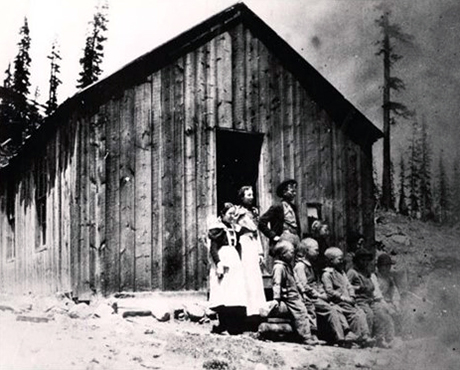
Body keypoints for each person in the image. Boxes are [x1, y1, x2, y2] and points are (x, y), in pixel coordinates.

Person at [294, 238, 356, 346]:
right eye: (316, 250)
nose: (318, 253)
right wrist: (319, 295)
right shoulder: (301, 266)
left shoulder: (312, 265)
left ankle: (346, 333)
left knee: (335, 307)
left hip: (317, 296)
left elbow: (317, 284)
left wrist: (322, 293)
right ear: (306, 251)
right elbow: (305, 286)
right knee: (331, 310)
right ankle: (340, 338)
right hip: (309, 298)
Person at [321, 247, 374, 347]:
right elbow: (329, 291)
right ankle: (351, 338)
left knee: (359, 313)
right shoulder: (327, 274)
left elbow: (349, 286)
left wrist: (352, 296)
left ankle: (364, 336)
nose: (342, 262)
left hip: (348, 302)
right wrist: (343, 298)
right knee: (351, 314)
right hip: (338, 302)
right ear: (331, 260)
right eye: (339, 259)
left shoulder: (342, 273)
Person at [208, 203, 247, 335]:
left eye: (233, 214)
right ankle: (222, 325)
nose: (232, 217)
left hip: (234, 262)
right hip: (224, 260)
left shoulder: (235, 228)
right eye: (229, 214)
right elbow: (213, 248)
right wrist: (218, 263)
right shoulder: (218, 228)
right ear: (223, 214)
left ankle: (233, 325)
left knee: (233, 292)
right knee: (223, 292)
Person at [271, 239, 316, 346]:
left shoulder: (289, 266)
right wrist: (276, 299)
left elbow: (297, 281)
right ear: (283, 254)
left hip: (295, 294)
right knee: (300, 312)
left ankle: (312, 333)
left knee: (307, 308)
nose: (293, 255)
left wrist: (303, 291)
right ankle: (305, 337)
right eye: (291, 252)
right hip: (288, 296)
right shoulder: (279, 267)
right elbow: (276, 283)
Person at [347, 249, 395, 348]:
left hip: (369, 299)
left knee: (380, 311)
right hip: (359, 300)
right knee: (369, 313)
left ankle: (380, 339)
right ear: (357, 260)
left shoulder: (367, 273)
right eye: (362, 260)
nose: (365, 263)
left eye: (366, 261)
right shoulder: (352, 272)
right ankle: (365, 339)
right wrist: (356, 289)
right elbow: (346, 285)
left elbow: (373, 288)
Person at [235, 186, 266, 318]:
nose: (251, 197)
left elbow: (256, 231)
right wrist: (241, 230)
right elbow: (233, 226)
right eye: (248, 195)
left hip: (253, 243)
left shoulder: (254, 212)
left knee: (255, 275)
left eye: (252, 194)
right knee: (246, 274)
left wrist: (260, 252)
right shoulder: (237, 211)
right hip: (244, 243)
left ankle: (256, 308)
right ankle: (246, 308)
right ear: (242, 197)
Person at [259, 179, 301, 256]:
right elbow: (261, 222)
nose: (294, 194)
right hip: (284, 238)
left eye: (295, 192)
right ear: (284, 192)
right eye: (292, 191)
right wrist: (273, 236)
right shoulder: (277, 207)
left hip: (296, 238)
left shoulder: (293, 207)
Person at [375, 253, 401, 333]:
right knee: (386, 315)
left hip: (388, 302)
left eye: (388, 266)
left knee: (400, 312)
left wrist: (396, 304)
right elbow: (377, 295)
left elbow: (394, 293)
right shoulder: (375, 277)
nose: (387, 268)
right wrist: (388, 308)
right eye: (384, 266)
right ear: (379, 266)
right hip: (378, 302)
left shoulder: (389, 279)